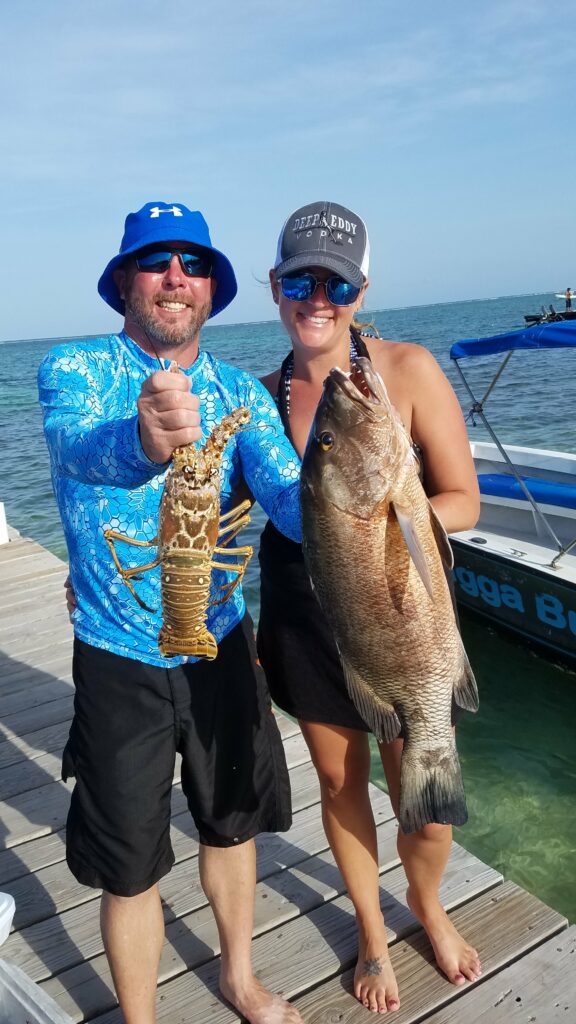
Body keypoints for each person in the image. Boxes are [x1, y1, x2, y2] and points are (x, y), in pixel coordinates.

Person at [38, 202, 305, 1024]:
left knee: (232, 827)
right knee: (129, 862)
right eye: (157, 262)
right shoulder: (75, 369)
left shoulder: (240, 396)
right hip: (117, 653)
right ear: (126, 281)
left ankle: (239, 975)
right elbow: (78, 446)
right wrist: (143, 439)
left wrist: (358, 487)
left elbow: (291, 504)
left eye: (193, 263)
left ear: (212, 291)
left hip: (221, 645)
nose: (175, 277)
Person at [256, 201, 483, 1014]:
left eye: (336, 282)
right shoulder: (257, 398)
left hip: (401, 606)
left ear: (360, 289)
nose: (318, 296)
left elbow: (466, 500)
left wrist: (403, 508)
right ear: (274, 286)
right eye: (300, 279)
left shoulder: (408, 371)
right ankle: (372, 930)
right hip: (300, 617)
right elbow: (217, 522)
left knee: (421, 791)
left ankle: (428, 903)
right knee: (339, 779)